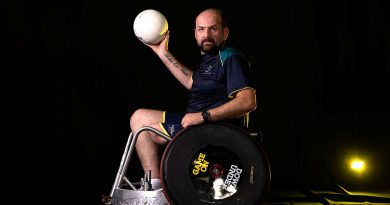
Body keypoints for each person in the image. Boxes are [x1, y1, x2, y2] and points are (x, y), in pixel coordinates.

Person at [129, 8, 257, 190]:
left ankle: (155, 191)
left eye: (213, 29)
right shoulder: (211, 59)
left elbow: (247, 101)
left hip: (209, 134)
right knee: (140, 120)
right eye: (201, 29)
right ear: (195, 33)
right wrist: (162, 52)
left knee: (142, 124)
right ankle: (156, 188)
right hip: (197, 127)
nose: (206, 35)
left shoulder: (231, 58)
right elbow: (192, 82)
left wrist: (202, 116)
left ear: (225, 32)